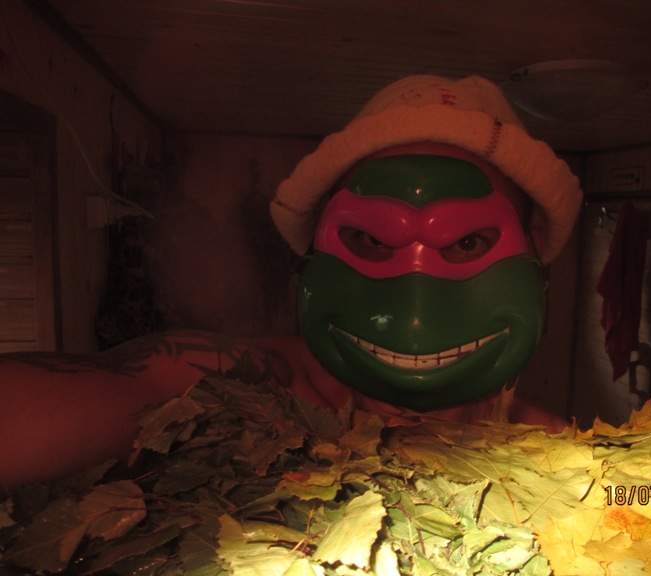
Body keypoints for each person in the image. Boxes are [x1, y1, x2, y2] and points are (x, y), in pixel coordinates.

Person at [0, 75, 582, 490]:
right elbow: (101, 392)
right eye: (369, 240)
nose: (414, 307)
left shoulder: (568, 465)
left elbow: (640, 500)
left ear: (534, 263)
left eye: (468, 242)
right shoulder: (232, 386)